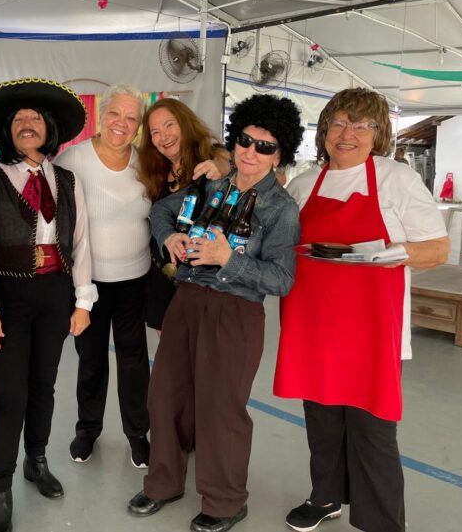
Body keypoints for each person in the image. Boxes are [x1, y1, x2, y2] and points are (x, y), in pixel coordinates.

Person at [274, 88, 450, 532]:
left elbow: (437, 249)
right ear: (324, 130)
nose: (347, 133)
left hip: (370, 329)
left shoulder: (396, 179)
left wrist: (388, 253)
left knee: (373, 426)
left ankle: (382, 522)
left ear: (378, 133)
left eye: (360, 125)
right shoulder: (304, 183)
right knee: (321, 416)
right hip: (312, 324)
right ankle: (325, 496)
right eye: (338, 123)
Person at [128, 94, 304, 532]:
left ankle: (225, 502)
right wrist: (168, 237)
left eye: (265, 146)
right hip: (186, 301)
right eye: (245, 140)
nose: (251, 152)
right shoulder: (213, 185)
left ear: (279, 154)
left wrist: (230, 260)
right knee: (164, 396)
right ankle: (163, 483)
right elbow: (161, 210)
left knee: (220, 408)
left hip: (236, 312)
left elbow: (282, 279)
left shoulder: (282, 209)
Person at [0, 78, 97, 532]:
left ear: (49, 129)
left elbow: (81, 242)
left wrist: (83, 300)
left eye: (35, 118)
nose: (27, 124)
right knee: (10, 394)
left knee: (44, 385)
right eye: (19, 119)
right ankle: (1, 486)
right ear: (8, 130)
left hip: (55, 293)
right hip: (8, 295)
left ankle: (36, 460)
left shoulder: (67, 180)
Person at [54, 84, 152, 468]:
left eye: (131, 118)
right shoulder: (72, 160)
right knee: (91, 358)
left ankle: (138, 433)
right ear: (100, 115)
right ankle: (88, 429)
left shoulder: (146, 162)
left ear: (138, 127)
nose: (121, 124)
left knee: (134, 360)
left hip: (136, 278)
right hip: (88, 283)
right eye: (114, 113)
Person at [137, 98, 232, 333]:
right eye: (155, 132)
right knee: (168, 348)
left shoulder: (211, 158)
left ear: (185, 123)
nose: (164, 136)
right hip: (161, 276)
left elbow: (238, 166)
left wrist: (224, 165)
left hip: (200, 280)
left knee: (200, 348)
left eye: (169, 125)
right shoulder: (155, 169)